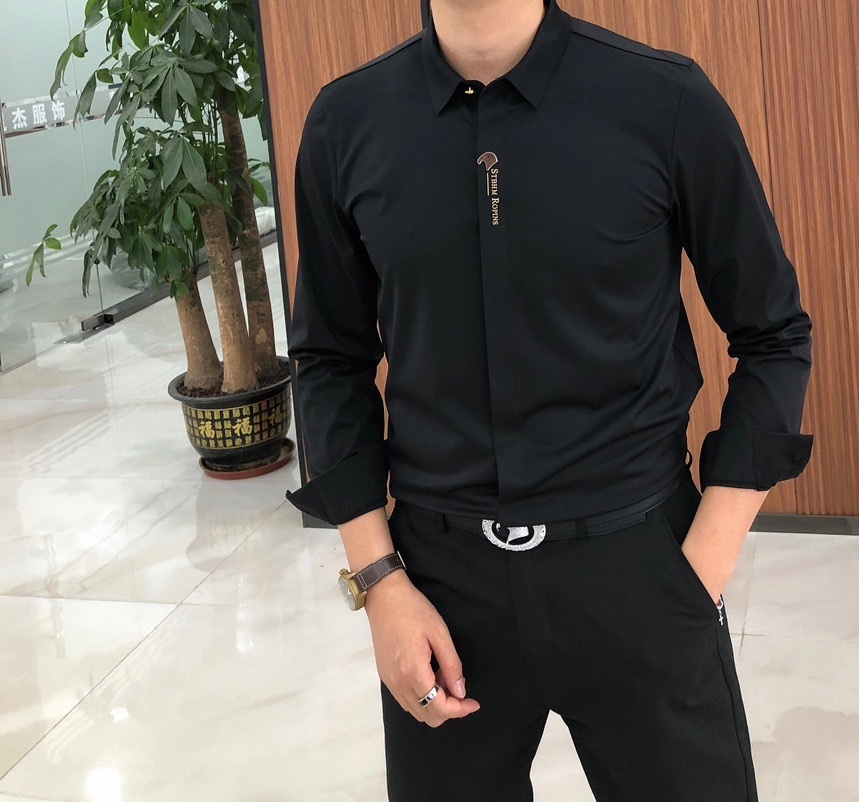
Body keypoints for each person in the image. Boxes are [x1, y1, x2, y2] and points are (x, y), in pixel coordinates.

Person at [283, 0, 814, 798]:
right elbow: (329, 360)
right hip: (438, 586)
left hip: (638, 562)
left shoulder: (664, 100)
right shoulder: (346, 121)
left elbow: (773, 333)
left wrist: (698, 572)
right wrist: (379, 584)